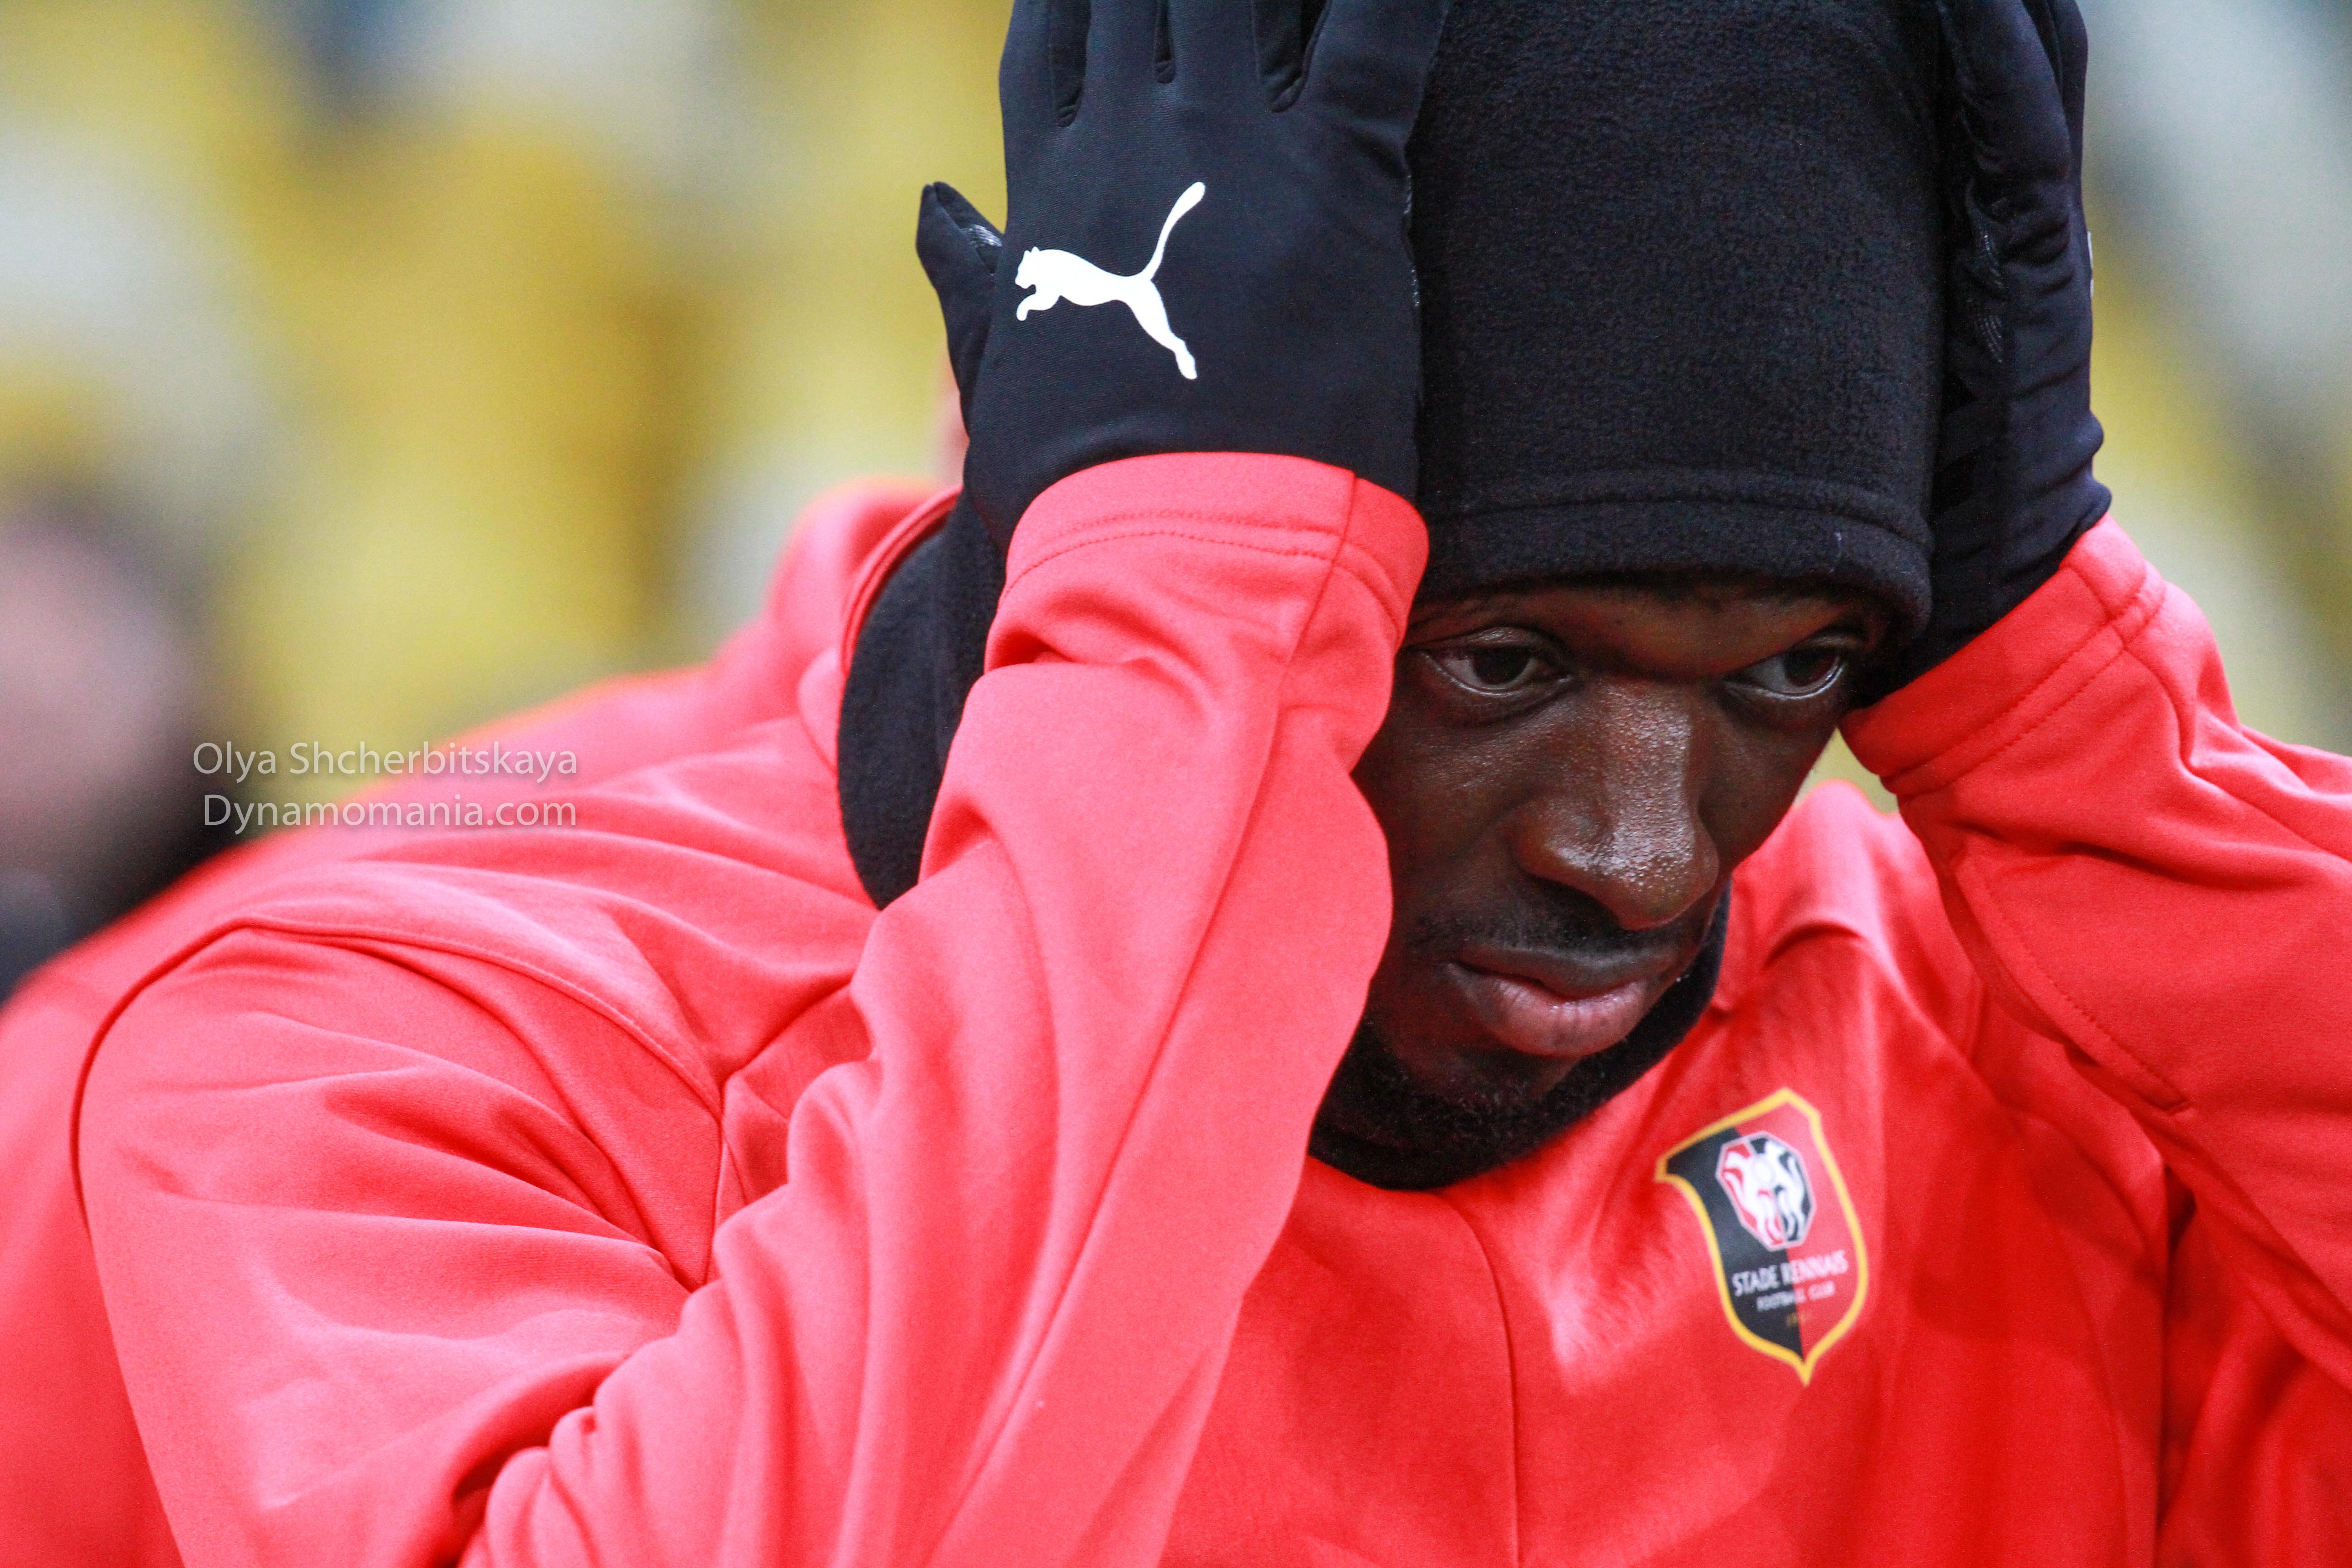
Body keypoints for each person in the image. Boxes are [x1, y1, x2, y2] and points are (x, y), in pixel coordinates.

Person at [28, 0, 2352, 1562]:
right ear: (1149, 524)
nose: (1640, 852)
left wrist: (2081, 723)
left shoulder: (2019, 1076)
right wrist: (1191, 675)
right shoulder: (346, 1044)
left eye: (1789, 671)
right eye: (1505, 662)